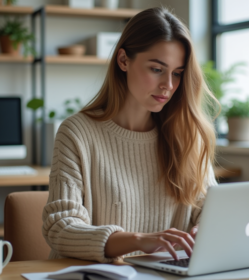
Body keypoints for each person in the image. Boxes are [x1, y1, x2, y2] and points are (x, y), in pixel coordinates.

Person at [42, 6, 218, 263]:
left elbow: (210, 209)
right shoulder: (77, 133)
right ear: (123, 60)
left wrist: (207, 229)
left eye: (177, 73)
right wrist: (139, 240)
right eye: (157, 69)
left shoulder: (187, 135)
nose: (168, 85)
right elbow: (61, 228)